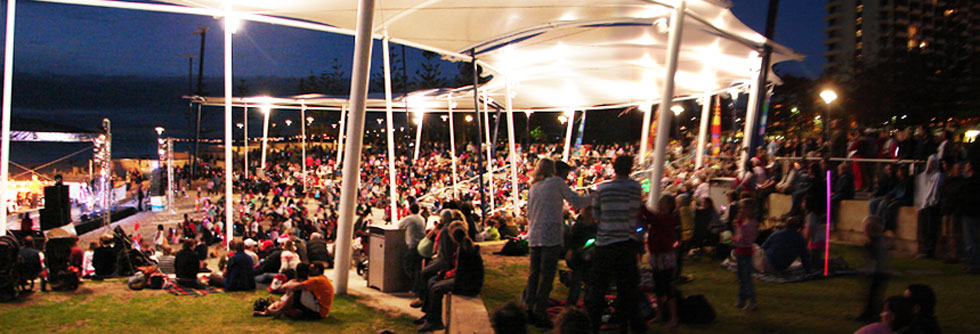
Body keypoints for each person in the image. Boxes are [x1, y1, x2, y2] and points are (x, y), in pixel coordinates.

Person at [524, 158, 591, 328]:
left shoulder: (533, 187)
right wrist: (594, 197)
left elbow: (529, 213)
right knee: (546, 276)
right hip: (550, 235)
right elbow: (577, 202)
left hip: (534, 235)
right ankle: (540, 313)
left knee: (534, 275)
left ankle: (528, 308)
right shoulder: (556, 182)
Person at [586, 155, 646, 334]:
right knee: (627, 290)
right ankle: (626, 327)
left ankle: (594, 326)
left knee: (598, 289)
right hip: (627, 244)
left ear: (614, 168)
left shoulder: (602, 188)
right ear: (630, 168)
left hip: (605, 244)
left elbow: (596, 217)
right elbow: (636, 212)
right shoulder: (635, 187)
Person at [417, 225, 484, 332]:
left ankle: (435, 321)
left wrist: (445, 275)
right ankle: (429, 315)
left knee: (436, 289)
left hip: (467, 284)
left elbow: (460, 271)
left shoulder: (464, 250)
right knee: (432, 281)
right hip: (463, 279)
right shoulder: (462, 247)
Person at [639, 195, 679, 328]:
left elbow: (652, 218)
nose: (659, 204)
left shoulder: (667, 218)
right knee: (657, 286)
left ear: (669, 205)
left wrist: (641, 206)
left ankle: (673, 317)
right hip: (656, 255)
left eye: (662, 202)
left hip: (664, 255)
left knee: (667, 286)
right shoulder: (662, 217)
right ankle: (661, 315)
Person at [254, 262, 334, 320]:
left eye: (311, 268)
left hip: (319, 310)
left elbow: (294, 287)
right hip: (318, 308)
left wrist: (285, 286)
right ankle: (272, 311)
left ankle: (278, 310)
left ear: (317, 270)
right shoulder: (321, 279)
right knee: (293, 297)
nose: (310, 271)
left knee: (297, 291)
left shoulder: (315, 280)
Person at [856, 216, 889, 323]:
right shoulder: (880, 240)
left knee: (872, 295)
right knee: (874, 295)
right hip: (881, 273)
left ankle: (870, 313)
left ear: (869, 229)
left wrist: (869, 270)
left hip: (877, 273)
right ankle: (872, 312)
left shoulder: (872, 243)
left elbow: (875, 259)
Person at [734, 198, 759, 311]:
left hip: (746, 252)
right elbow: (738, 235)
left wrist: (735, 238)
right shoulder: (742, 222)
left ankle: (751, 300)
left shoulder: (751, 224)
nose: (741, 210)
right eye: (740, 208)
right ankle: (742, 298)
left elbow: (746, 238)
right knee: (741, 278)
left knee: (746, 277)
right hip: (740, 251)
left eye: (744, 208)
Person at [915, 155, 942, 258]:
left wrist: (930, 202)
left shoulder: (937, 176)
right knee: (924, 228)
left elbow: (933, 191)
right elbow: (920, 191)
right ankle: (925, 249)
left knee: (931, 229)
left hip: (931, 206)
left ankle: (930, 251)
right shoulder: (922, 177)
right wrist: (919, 205)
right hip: (923, 206)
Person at [398, 204, 426, 291]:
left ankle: (416, 283)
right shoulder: (422, 218)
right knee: (417, 267)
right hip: (422, 245)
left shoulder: (409, 219)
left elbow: (399, 226)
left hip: (413, 245)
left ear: (410, 210)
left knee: (407, 265)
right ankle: (416, 285)